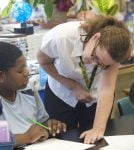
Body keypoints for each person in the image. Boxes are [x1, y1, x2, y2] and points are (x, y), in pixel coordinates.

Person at [37, 15, 132, 144]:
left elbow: (107, 88)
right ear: (95, 37)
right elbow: (44, 62)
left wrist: (98, 128)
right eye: (95, 57)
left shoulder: (116, 50)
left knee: (95, 139)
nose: (95, 64)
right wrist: (73, 86)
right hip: (62, 92)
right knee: (60, 139)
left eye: (103, 65)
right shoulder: (61, 37)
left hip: (95, 96)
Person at [0, 42, 66, 146]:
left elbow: (41, 122)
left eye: (25, 66)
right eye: (20, 70)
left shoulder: (28, 89)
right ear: (0, 76)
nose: (27, 73)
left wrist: (50, 125)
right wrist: (27, 137)